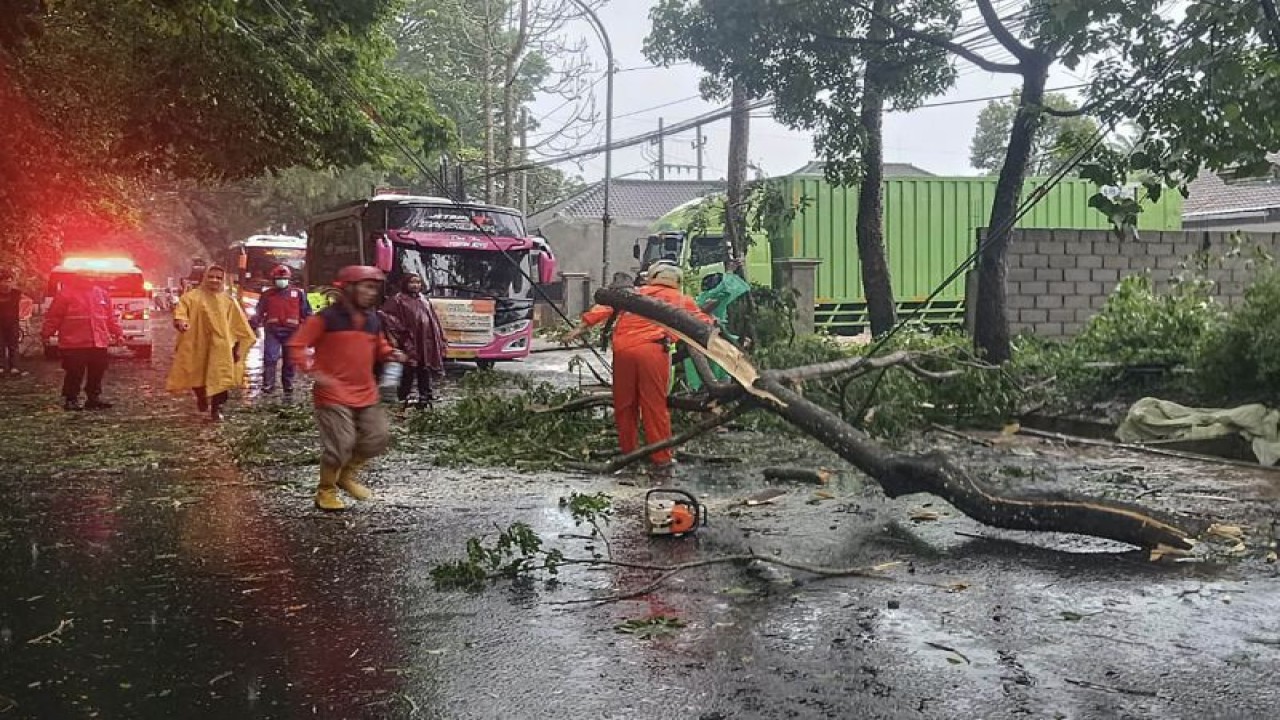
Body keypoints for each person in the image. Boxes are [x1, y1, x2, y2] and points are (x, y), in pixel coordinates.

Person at [562, 262, 712, 468]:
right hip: (652, 351)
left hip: (623, 351)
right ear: (677, 281)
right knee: (654, 406)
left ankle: (628, 454)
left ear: (651, 277)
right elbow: (703, 323)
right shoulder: (681, 299)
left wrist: (580, 327)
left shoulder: (635, 294)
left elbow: (604, 307)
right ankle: (661, 458)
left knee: (625, 405)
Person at [288, 266, 407, 511]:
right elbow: (296, 345)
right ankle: (326, 490)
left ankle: (345, 475)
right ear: (349, 288)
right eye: (367, 287)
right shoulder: (325, 318)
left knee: (378, 437)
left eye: (374, 288)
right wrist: (313, 372)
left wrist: (391, 354)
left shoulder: (373, 319)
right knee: (341, 443)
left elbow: (379, 347)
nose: (372, 293)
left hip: (365, 391)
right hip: (332, 392)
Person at [167, 265, 256, 422]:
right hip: (197, 344)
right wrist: (181, 322)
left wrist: (238, 347)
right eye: (211, 276)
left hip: (221, 347)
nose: (214, 280)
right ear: (205, 277)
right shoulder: (191, 297)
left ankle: (216, 408)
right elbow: (181, 313)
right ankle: (202, 397)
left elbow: (239, 324)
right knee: (197, 376)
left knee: (221, 377)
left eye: (218, 278)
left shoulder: (228, 301)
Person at [40, 274, 123, 410]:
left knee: (97, 371)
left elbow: (110, 317)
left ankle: (93, 398)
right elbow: (54, 316)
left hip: (98, 341)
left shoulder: (102, 294)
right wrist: (46, 334)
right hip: (74, 342)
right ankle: (71, 398)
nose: (89, 278)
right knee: (74, 372)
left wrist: (118, 333)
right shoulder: (65, 294)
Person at [380, 273, 446, 406]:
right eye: (412, 282)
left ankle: (425, 397)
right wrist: (397, 336)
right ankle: (403, 397)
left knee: (424, 368)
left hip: (425, 341)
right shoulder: (398, 300)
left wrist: (440, 338)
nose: (415, 285)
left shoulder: (424, 300)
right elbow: (386, 316)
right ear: (405, 283)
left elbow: (433, 320)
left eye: (418, 283)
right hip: (408, 340)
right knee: (408, 370)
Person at [253, 264, 312, 395]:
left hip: (292, 332)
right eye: (278, 278)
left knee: (289, 360)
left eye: (283, 278)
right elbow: (259, 311)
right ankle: (268, 385)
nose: (281, 280)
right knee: (270, 358)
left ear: (289, 279)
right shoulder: (267, 295)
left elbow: (306, 313)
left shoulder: (298, 294)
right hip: (273, 331)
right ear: (273, 280)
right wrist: (253, 324)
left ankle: (288, 385)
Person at [0, 269, 32, 376]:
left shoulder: (16, 293)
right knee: (0, 345)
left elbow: (27, 302)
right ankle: (1, 366)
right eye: (4, 281)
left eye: (9, 281)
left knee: (13, 345)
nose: (7, 284)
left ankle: (14, 366)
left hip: (13, 323)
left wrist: (24, 316)